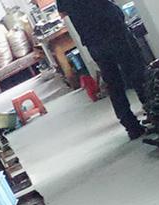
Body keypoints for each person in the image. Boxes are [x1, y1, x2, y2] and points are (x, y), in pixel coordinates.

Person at [57, 0, 147, 139]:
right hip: (113, 28)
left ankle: (131, 126)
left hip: (93, 39)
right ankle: (153, 112)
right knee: (134, 72)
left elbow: (62, 13)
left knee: (113, 83)